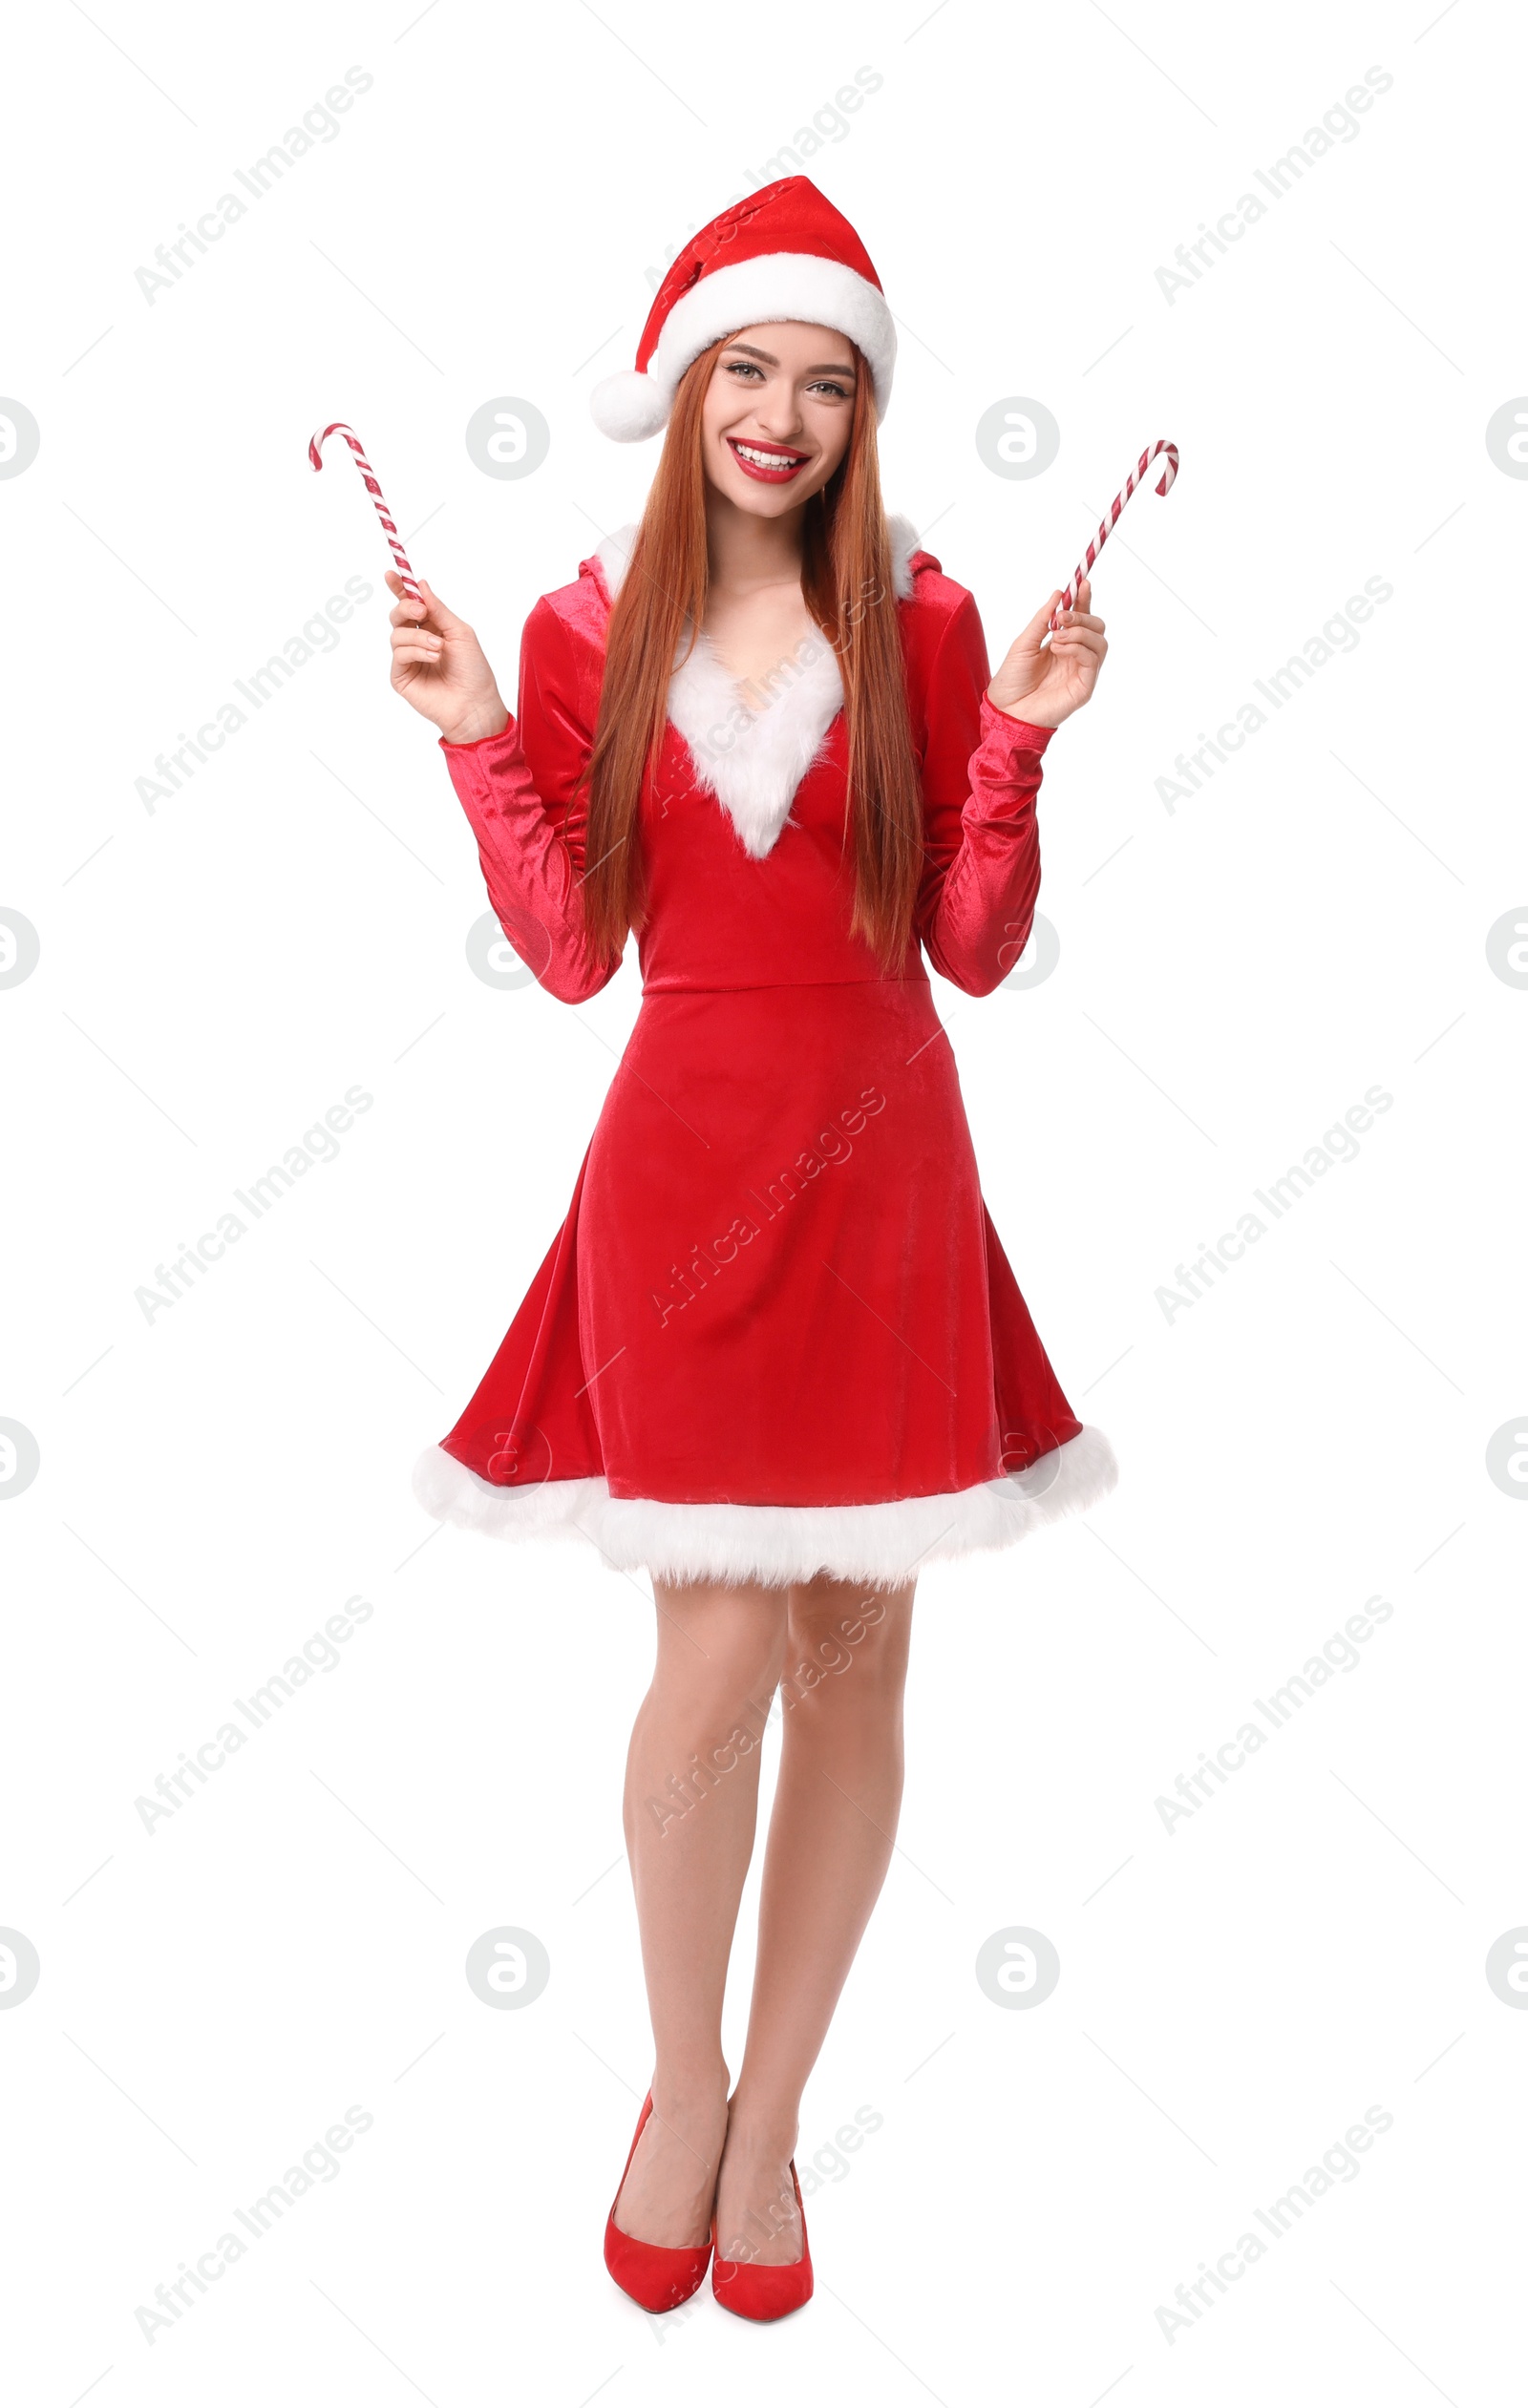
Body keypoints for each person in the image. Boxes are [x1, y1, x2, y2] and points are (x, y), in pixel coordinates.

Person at [388, 178, 1117, 2321]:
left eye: (824, 378)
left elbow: (969, 952)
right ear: (687, 386)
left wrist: (1022, 739)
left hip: (887, 1163)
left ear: (859, 412)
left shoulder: (930, 623)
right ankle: (678, 2086)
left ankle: (781, 2115)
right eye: (747, 369)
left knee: (858, 1652)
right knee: (710, 1648)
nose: (781, 411)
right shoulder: (574, 632)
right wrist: (461, 740)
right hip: (681, 1171)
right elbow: (568, 947)